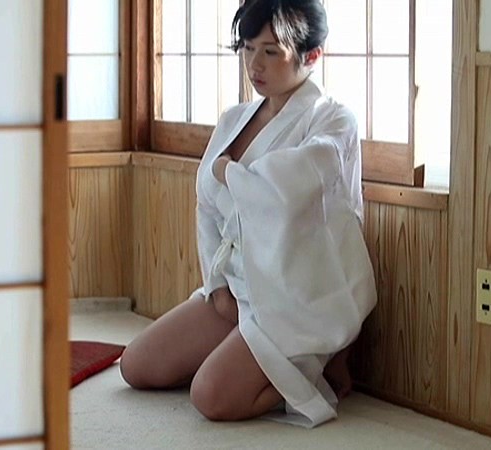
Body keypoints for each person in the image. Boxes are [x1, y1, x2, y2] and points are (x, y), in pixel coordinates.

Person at [120, 0, 377, 428]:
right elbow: (207, 205)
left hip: (296, 297)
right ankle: (243, 353)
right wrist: (217, 285)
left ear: (312, 55)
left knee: (210, 397)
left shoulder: (334, 121)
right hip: (240, 285)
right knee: (137, 366)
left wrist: (229, 172)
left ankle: (317, 368)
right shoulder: (234, 119)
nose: (254, 64)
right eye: (247, 48)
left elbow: (288, 189)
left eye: (271, 51)